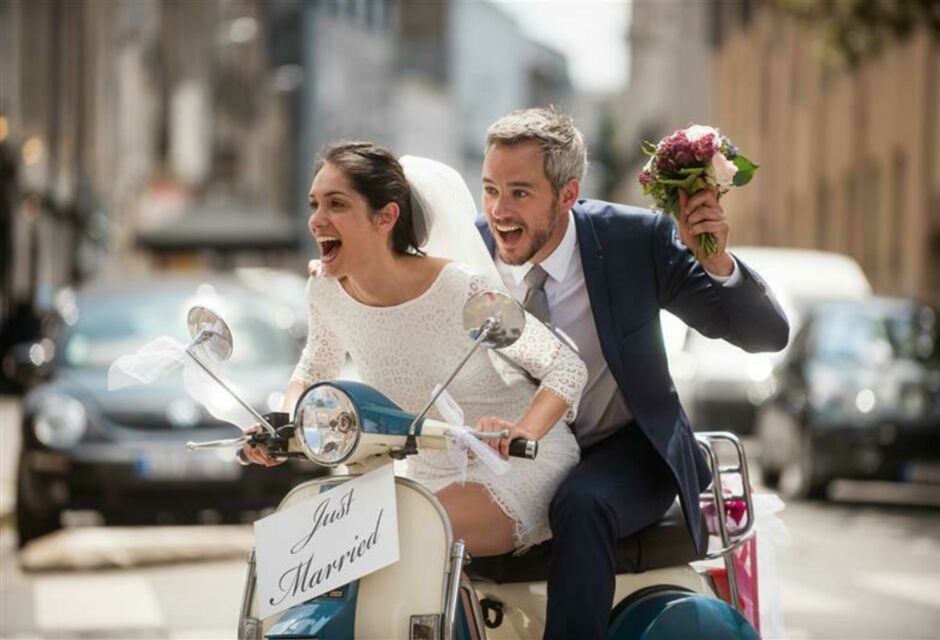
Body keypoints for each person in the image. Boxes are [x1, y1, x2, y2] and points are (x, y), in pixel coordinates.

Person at [476, 107, 789, 639]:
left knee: (582, 503)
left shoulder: (633, 241)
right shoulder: (473, 246)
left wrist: (716, 261)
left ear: (568, 194)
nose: (499, 211)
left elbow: (765, 336)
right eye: (489, 189)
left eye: (520, 193)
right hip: (514, 449)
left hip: (625, 450)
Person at [243, 142, 587, 557]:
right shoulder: (325, 291)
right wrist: (279, 425)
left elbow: (564, 368)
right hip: (422, 474)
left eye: (336, 204)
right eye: (314, 204)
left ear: (385, 217)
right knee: (296, 548)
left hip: (514, 465)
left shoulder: (459, 289)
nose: (317, 220)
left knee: (383, 540)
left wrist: (523, 432)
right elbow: (315, 366)